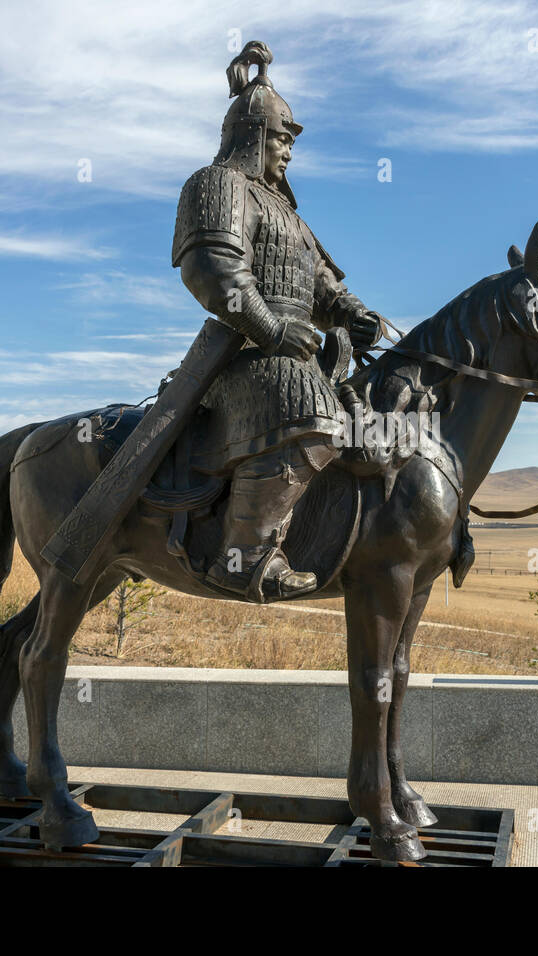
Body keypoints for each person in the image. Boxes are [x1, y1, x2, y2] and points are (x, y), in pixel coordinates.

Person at [171, 41, 383, 602]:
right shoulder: (218, 187)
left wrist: (354, 315)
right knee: (306, 406)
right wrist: (271, 329)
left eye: (290, 142)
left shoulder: (289, 216)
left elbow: (321, 286)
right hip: (243, 354)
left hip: (304, 347)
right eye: (281, 138)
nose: (288, 152)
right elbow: (213, 272)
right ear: (251, 136)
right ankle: (244, 559)